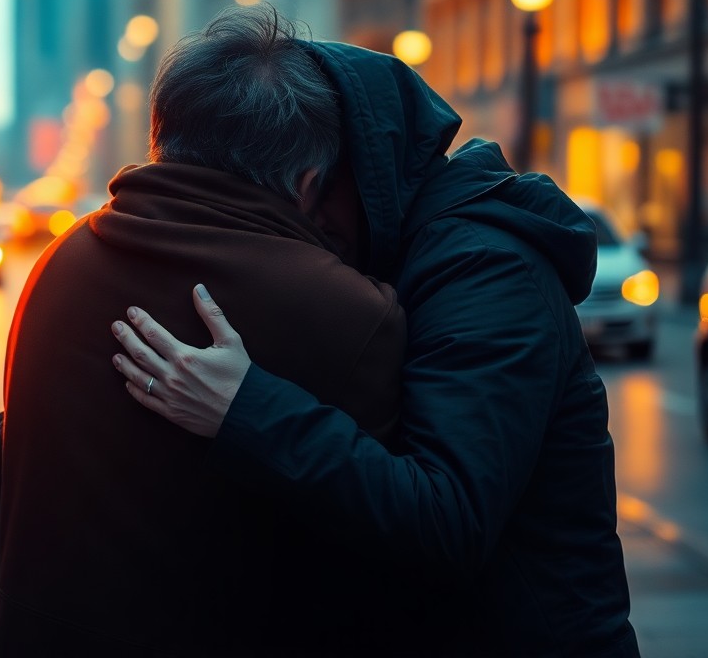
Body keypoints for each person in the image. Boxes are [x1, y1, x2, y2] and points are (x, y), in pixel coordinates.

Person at [112, 38, 641, 656]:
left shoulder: (486, 269)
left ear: (314, 185)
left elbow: (447, 519)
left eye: (271, 209)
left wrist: (246, 409)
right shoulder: (407, 254)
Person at [0, 6, 408, 656]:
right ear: (306, 182)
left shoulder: (57, 266)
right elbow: (391, 534)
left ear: (164, 137)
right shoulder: (347, 311)